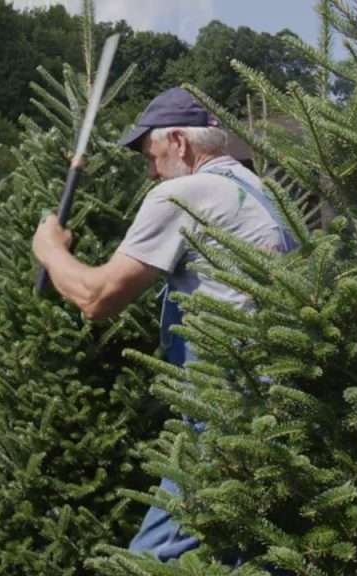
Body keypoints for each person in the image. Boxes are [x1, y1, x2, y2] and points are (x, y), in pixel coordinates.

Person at [31, 87, 296, 562]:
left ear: (178, 141)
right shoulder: (263, 191)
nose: (149, 171)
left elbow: (98, 298)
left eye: (149, 156)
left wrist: (51, 252)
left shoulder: (186, 194)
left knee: (150, 562)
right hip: (286, 407)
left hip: (225, 414)